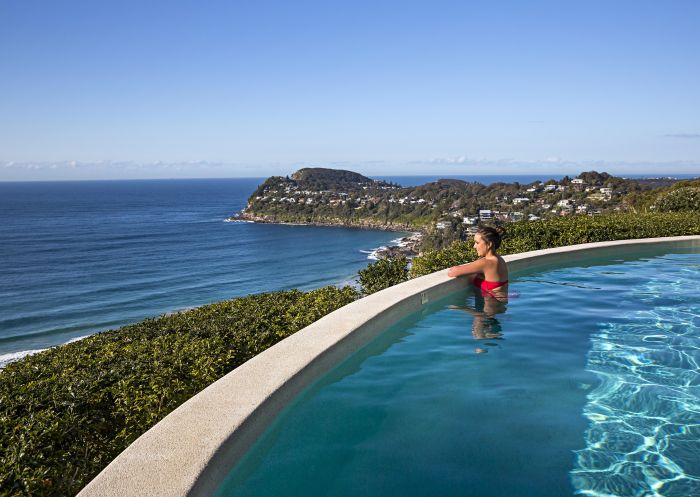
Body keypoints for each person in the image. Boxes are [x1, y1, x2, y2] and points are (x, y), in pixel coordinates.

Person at [447, 226, 508, 299]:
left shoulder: (486, 262)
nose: (474, 246)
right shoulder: (499, 259)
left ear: (489, 244)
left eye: (477, 243)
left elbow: (452, 272)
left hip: (490, 308)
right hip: (498, 305)